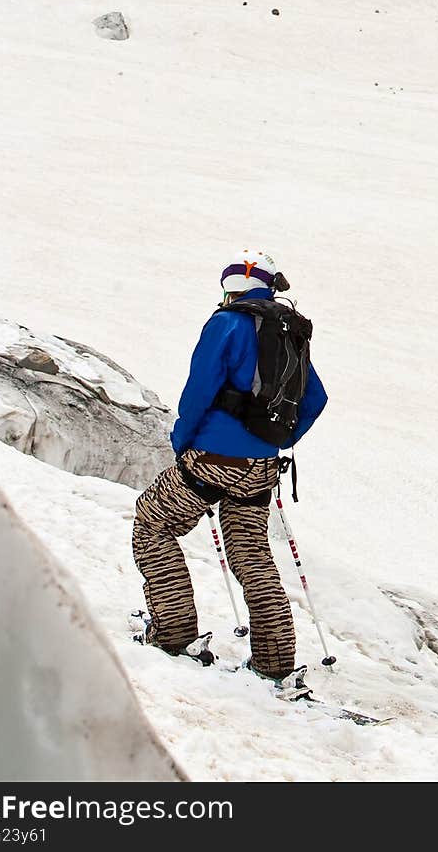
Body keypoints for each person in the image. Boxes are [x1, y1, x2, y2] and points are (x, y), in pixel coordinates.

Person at [132, 250, 327, 679]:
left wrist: (184, 442)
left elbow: (199, 390)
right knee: (252, 555)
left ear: (234, 285)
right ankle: (274, 662)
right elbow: (316, 399)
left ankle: (174, 633)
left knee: (153, 522)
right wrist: (278, 439)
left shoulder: (226, 323)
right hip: (262, 464)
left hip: (213, 457)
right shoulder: (290, 332)